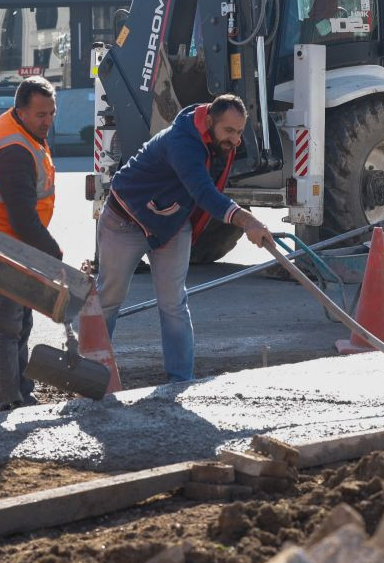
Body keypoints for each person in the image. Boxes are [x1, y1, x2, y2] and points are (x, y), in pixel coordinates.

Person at [97, 94, 273, 382]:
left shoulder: (218, 141)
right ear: (209, 120)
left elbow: (205, 192)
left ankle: (180, 381)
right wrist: (246, 219)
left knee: (173, 303)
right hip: (125, 219)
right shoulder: (182, 141)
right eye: (229, 131)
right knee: (109, 298)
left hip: (171, 222)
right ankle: (90, 370)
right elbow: (203, 193)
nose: (235, 140)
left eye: (240, 132)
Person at [0, 76, 63, 411]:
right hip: (4, 245)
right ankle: (8, 399)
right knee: (7, 325)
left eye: (51, 113)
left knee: (20, 321)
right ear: (20, 111)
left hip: (14, 243)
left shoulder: (21, 130)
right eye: (41, 115)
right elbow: (23, 218)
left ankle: (21, 389)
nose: (48, 121)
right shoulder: (13, 151)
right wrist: (54, 255)